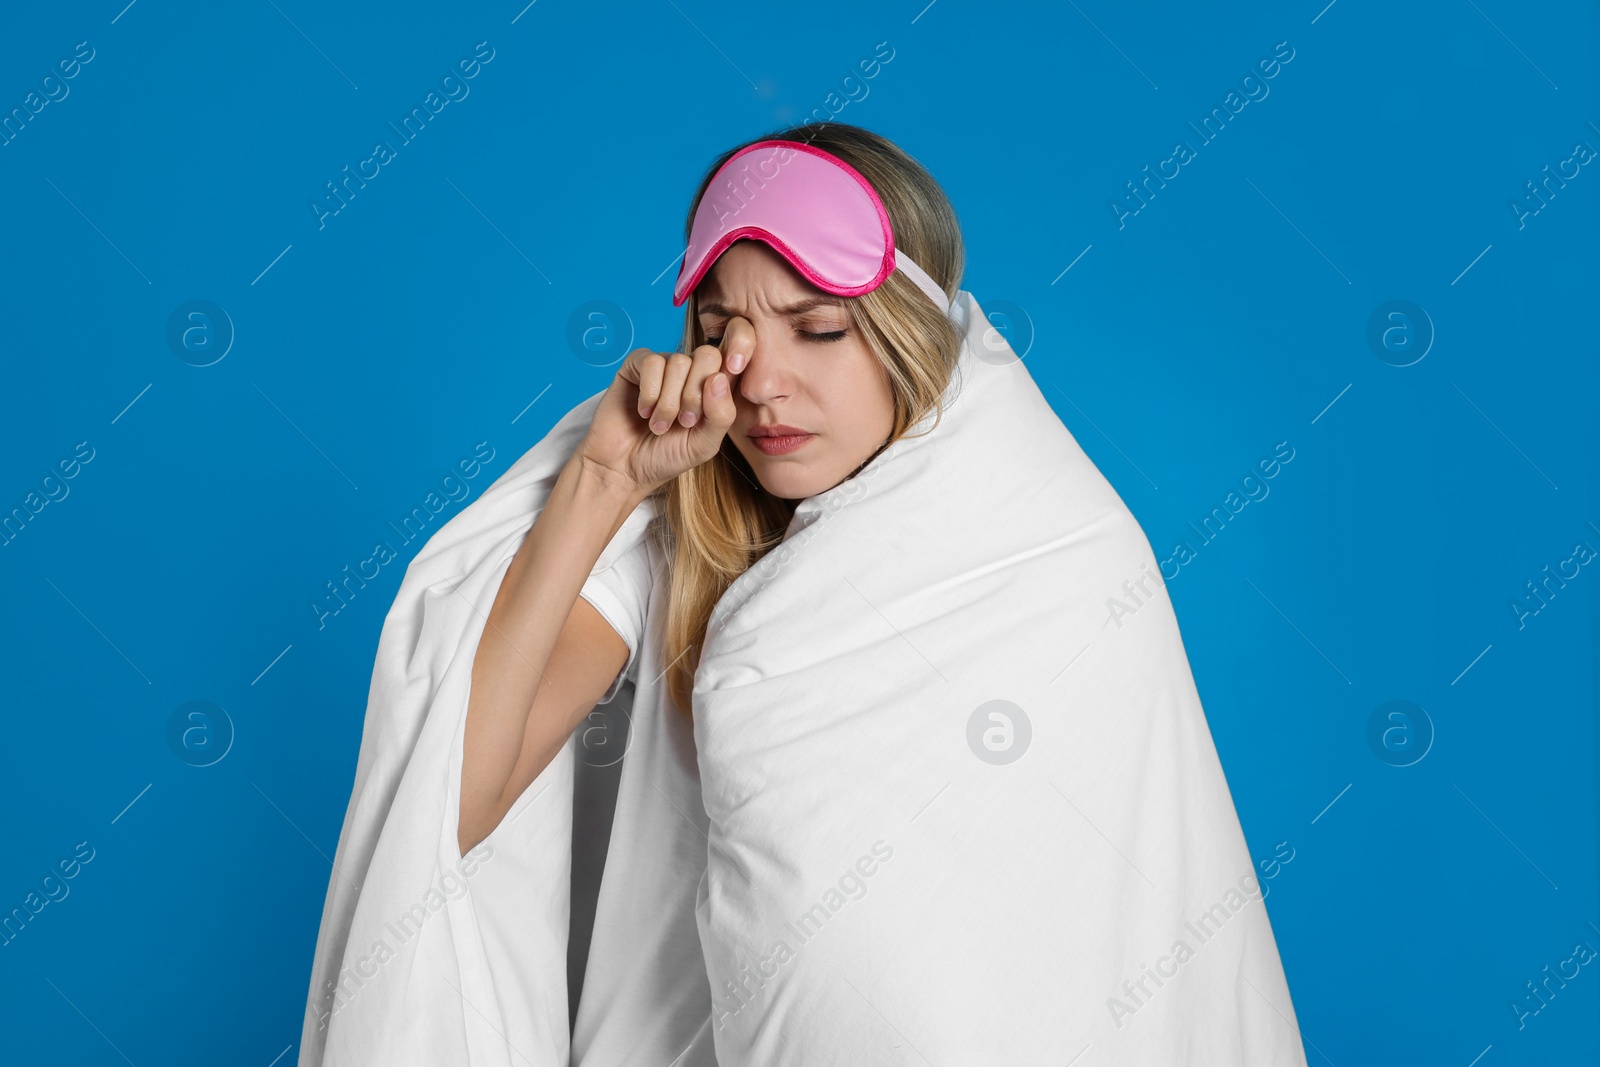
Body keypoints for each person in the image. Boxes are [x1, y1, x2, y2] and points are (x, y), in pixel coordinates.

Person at [457, 122, 964, 855]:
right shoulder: (667, 551)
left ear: (911, 337)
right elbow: (450, 812)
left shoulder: (1019, 548)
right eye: (725, 330)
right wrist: (604, 481)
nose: (757, 382)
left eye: (817, 328)